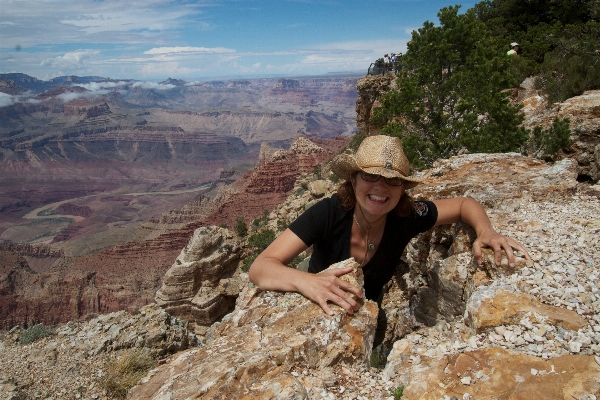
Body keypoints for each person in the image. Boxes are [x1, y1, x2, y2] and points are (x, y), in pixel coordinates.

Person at [248, 135, 530, 316]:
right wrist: (306, 281)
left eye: (393, 180)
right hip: (317, 302)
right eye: (370, 176)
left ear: (402, 189)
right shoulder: (328, 213)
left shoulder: (407, 217)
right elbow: (261, 268)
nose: (381, 187)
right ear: (354, 180)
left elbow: (463, 205)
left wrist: (486, 231)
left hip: (369, 307)